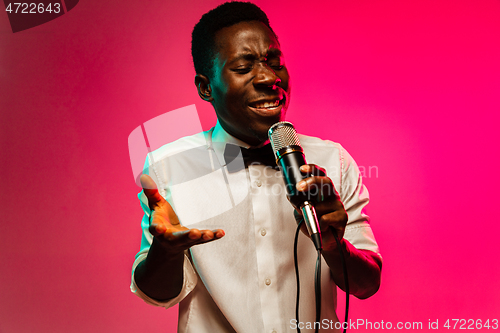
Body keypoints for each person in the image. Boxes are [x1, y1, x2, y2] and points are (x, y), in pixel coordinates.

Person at [131, 2, 382, 332]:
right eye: (243, 67)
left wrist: (334, 244)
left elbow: (366, 284)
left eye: (274, 62)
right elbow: (159, 293)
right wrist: (165, 251)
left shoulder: (332, 160)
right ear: (206, 87)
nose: (268, 77)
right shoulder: (170, 166)